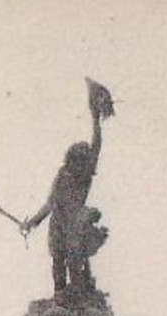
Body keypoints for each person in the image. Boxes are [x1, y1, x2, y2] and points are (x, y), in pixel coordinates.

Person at [20, 80, 115, 295]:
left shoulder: (83, 174)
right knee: (58, 261)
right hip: (59, 222)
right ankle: (61, 296)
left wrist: (95, 118)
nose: (82, 165)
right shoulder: (63, 175)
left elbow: (97, 144)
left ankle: (77, 292)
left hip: (75, 222)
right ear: (72, 161)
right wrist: (33, 222)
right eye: (78, 161)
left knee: (75, 261)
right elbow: (50, 204)